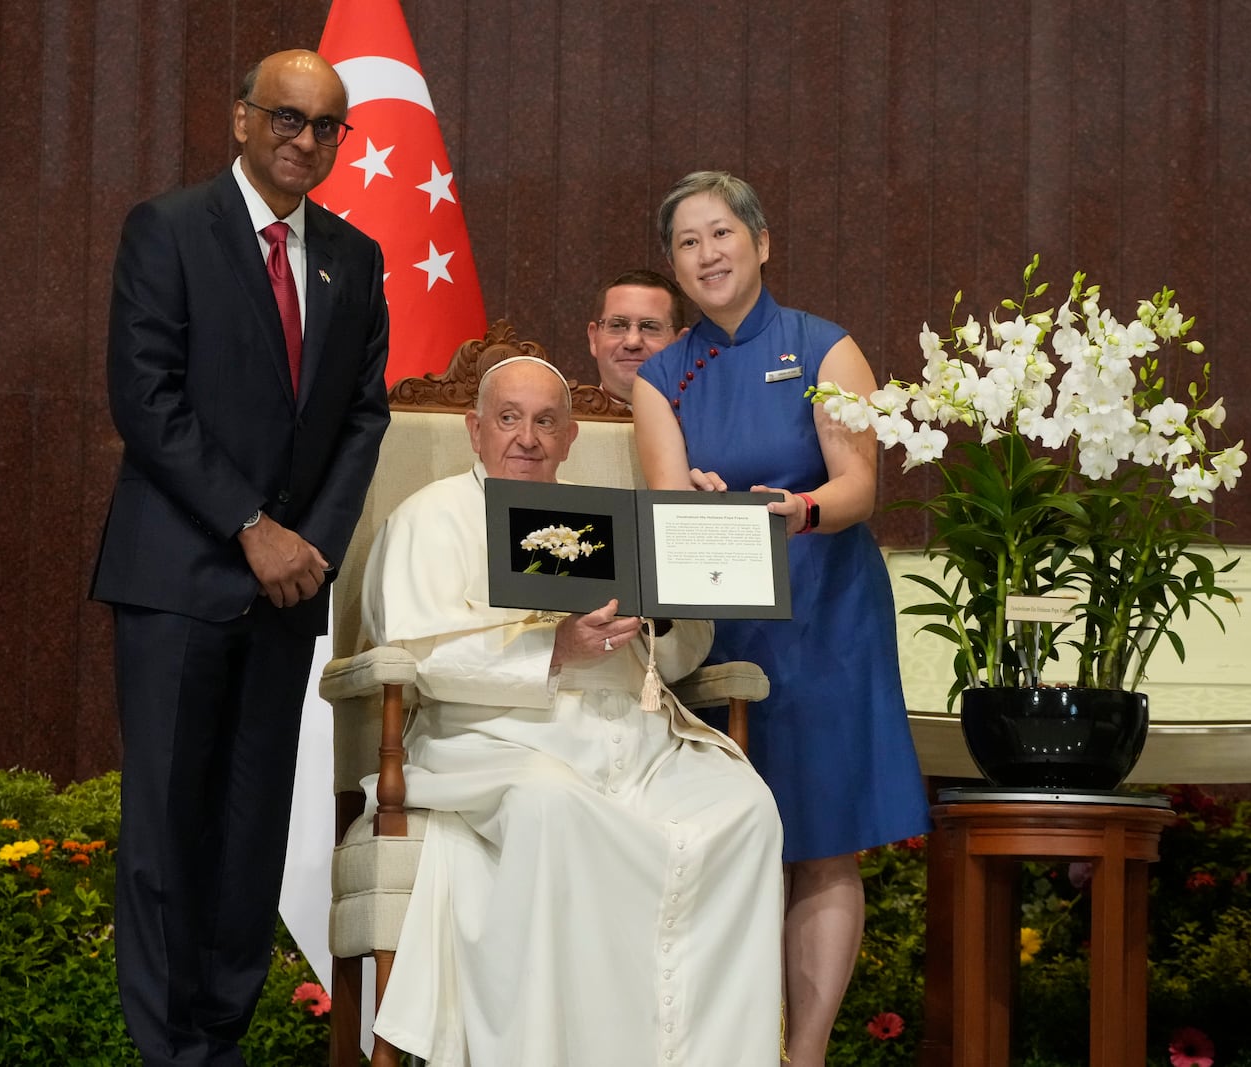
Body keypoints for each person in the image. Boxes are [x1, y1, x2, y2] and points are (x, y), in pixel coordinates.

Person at [90, 49, 390, 1066]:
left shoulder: (355, 256)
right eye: (287, 119)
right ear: (241, 119)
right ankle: (167, 1048)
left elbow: (362, 413)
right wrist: (248, 526)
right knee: (169, 829)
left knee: (250, 827)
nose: (306, 141)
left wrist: (313, 546)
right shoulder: (168, 229)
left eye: (326, 127)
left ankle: (219, 1036)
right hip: (178, 578)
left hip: (288, 590)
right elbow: (146, 398)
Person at [361, 355, 785, 1066]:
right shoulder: (429, 518)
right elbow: (419, 660)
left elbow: (678, 661)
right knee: (551, 805)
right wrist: (552, 651)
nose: (526, 437)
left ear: (570, 436)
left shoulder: (608, 519)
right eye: (508, 418)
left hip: (631, 735)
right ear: (475, 430)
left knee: (746, 807)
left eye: (546, 421)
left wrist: (664, 609)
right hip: (493, 737)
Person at [632, 170, 931, 1066]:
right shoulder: (662, 375)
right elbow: (662, 495)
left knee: (825, 839)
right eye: (687, 242)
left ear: (761, 243)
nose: (707, 254)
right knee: (731, 838)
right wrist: (694, 498)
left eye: (721, 233)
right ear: (674, 268)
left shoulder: (827, 348)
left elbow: (860, 486)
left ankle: (802, 1055)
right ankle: (729, 1044)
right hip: (721, 624)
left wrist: (796, 508)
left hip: (827, 614)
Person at [585, 268, 690, 408]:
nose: (632, 342)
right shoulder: (560, 425)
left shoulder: (710, 424)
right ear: (594, 339)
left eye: (650, 327)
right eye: (617, 325)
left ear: (680, 345)